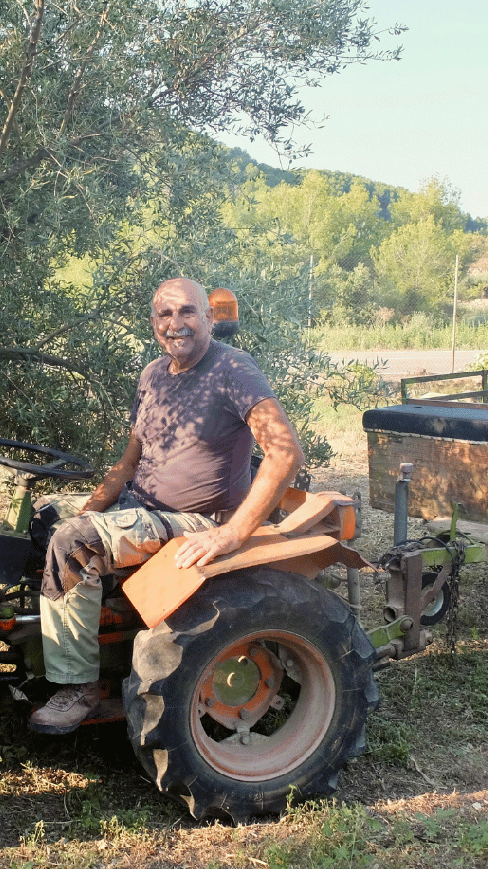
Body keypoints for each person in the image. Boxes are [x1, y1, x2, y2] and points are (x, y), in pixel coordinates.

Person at [28, 277, 306, 734]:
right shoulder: (153, 375)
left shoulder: (233, 370)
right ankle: (69, 633)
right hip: (142, 504)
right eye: (164, 314)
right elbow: (127, 463)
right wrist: (90, 508)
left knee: (72, 544)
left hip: (194, 520)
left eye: (187, 312)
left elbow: (285, 452)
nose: (175, 324)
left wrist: (231, 533)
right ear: (153, 322)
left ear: (210, 318)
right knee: (46, 518)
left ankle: (78, 685)